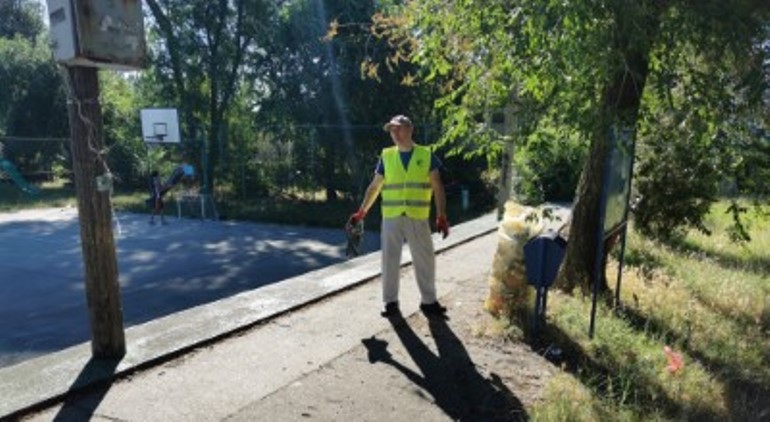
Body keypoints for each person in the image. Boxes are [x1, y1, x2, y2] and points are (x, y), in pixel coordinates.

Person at [349, 115, 451, 318]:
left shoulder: (426, 154)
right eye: (391, 130)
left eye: (398, 128)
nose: (394, 133)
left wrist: (441, 215)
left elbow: (437, 185)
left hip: (417, 216)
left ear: (410, 129)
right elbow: (375, 186)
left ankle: (429, 302)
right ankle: (390, 303)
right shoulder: (386, 156)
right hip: (392, 217)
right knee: (389, 260)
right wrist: (362, 212)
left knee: (425, 259)